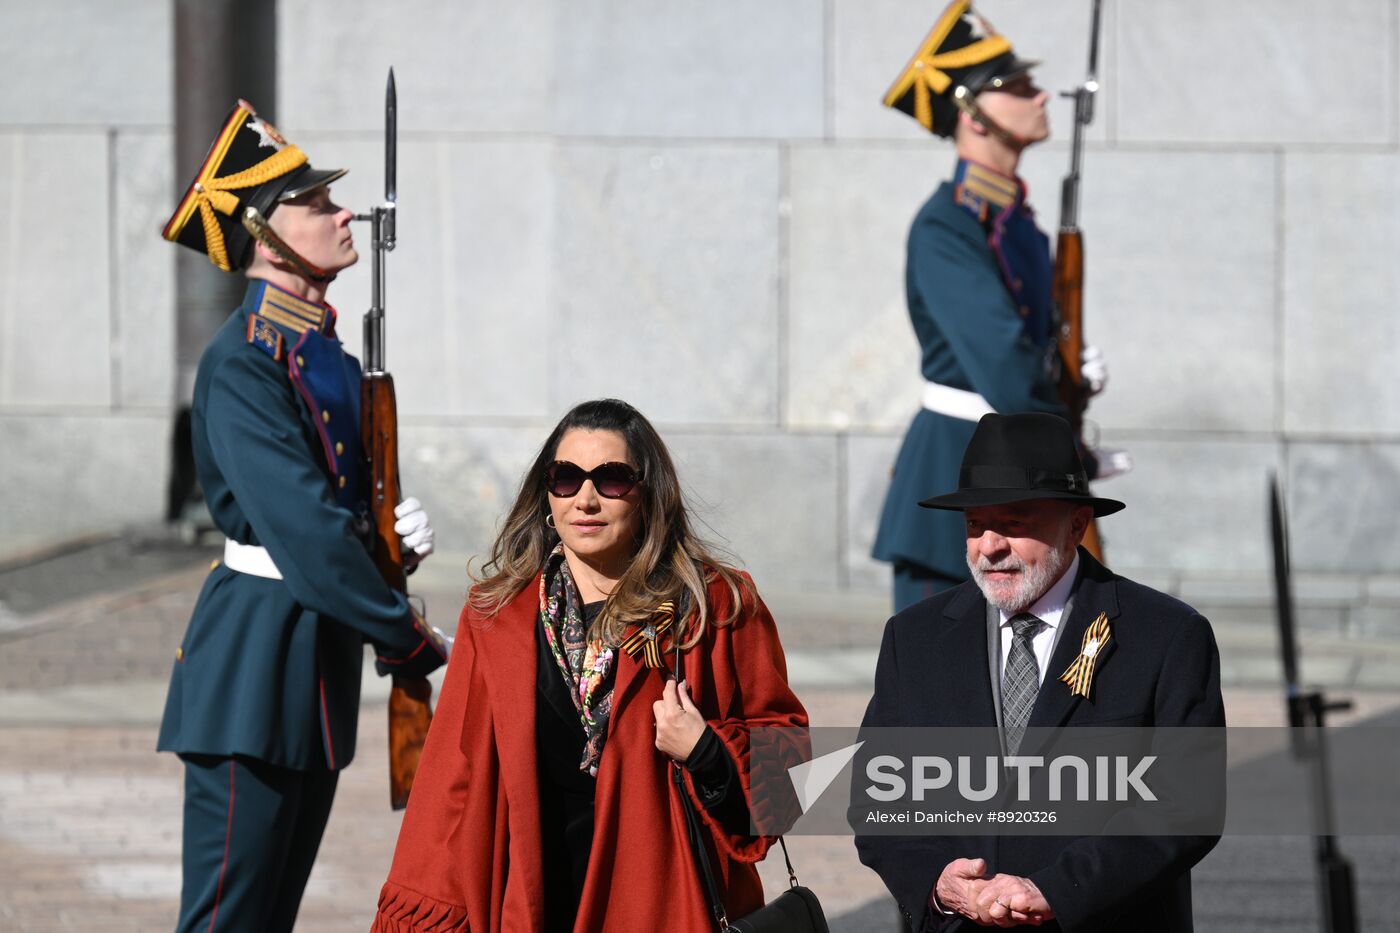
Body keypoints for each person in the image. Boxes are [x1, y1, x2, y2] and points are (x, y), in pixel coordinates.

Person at [156, 100, 448, 932]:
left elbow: (340, 516)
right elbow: (307, 531)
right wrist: (405, 631)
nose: (342, 212)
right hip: (252, 675)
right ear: (265, 234)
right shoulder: (246, 363)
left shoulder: (321, 353)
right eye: (317, 203)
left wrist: (391, 540)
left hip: (311, 674)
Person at [371, 398, 809, 932]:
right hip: (534, 899)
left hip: (660, 902)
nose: (586, 499)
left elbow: (791, 768)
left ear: (648, 495)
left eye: (612, 480)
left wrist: (707, 752)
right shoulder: (497, 617)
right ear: (545, 492)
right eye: (566, 478)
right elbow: (452, 782)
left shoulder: (714, 605)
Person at [855, 412, 1223, 931]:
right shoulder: (913, 640)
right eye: (974, 525)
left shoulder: (1165, 636)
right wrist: (940, 884)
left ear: (1076, 525)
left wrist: (1056, 890)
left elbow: (1185, 805)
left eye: (1015, 522)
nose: (990, 546)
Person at [871, 1, 1123, 612]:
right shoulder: (948, 227)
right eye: (1019, 87)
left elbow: (1026, 351)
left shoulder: (1015, 226)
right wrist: (1070, 451)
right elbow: (1004, 365)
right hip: (962, 466)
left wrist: (1066, 376)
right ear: (972, 114)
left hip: (1019, 464)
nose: (1042, 98)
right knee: (944, 693)